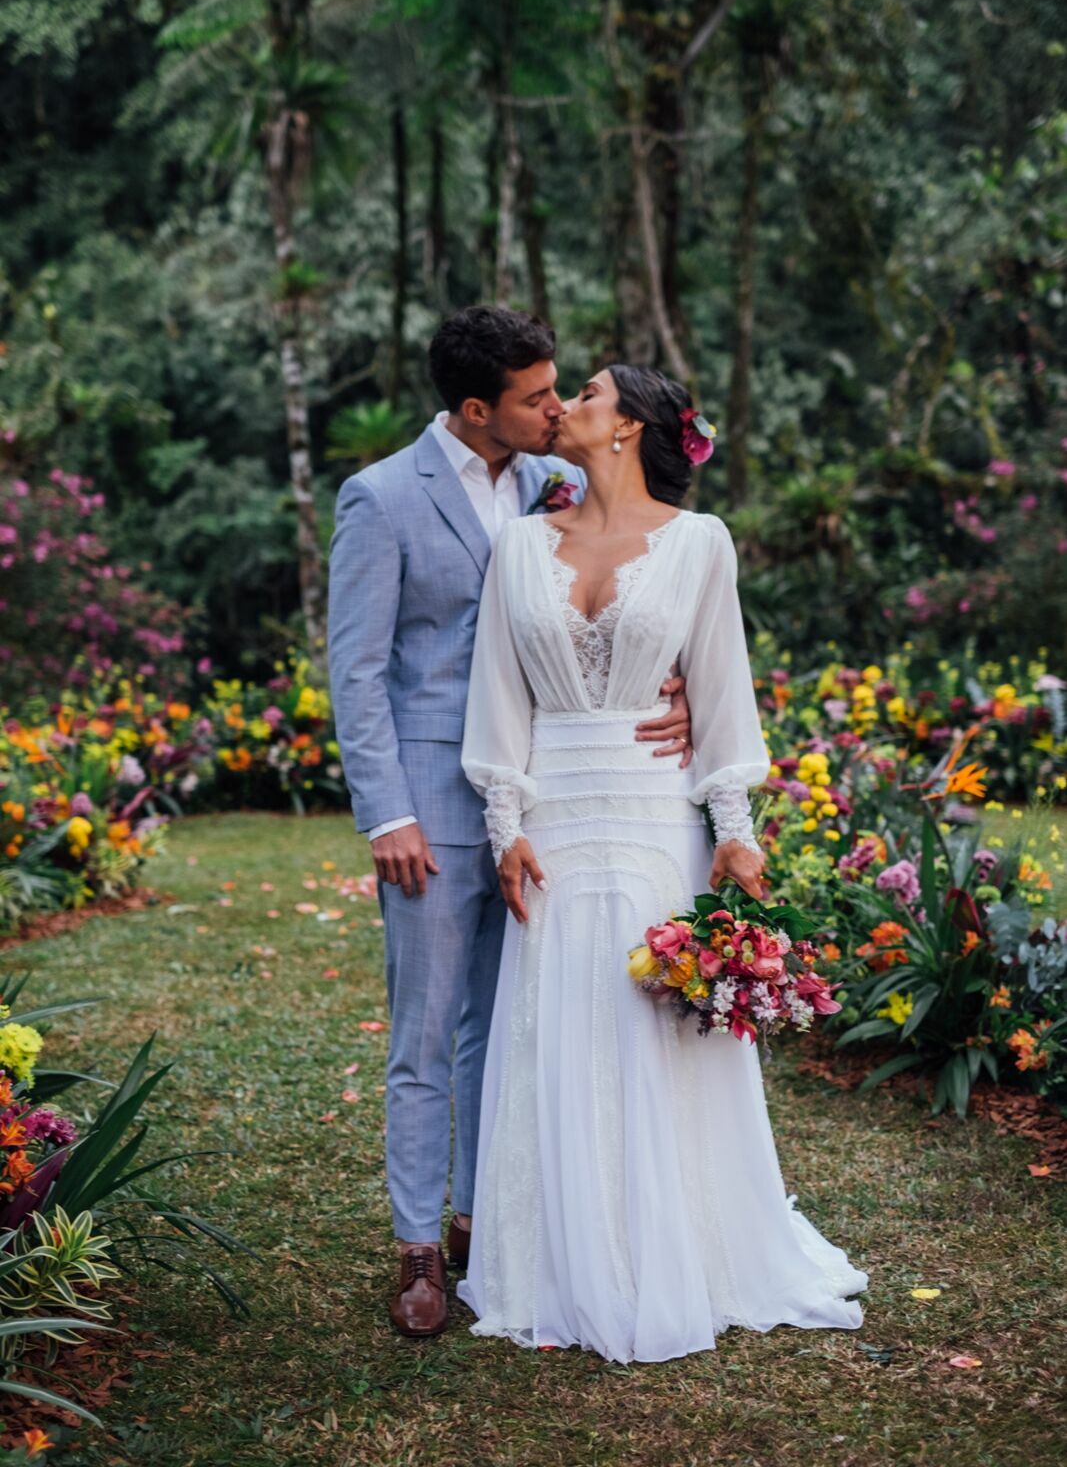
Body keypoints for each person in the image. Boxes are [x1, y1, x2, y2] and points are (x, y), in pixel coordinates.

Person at [458, 363, 868, 1363]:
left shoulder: (699, 545)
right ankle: (556, 1257)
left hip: (653, 812)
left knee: (657, 1025)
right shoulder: (517, 544)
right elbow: (497, 689)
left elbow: (722, 688)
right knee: (554, 1024)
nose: (566, 407)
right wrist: (501, 822)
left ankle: (682, 1248)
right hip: (551, 807)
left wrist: (734, 824)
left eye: (586, 394)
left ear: (629, 427)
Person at [327, 309, 692, 1338]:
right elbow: (355, 670)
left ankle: (484, 1225)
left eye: (556, 390)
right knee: (426, 1031)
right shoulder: (383, 498)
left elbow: (621, 602)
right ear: (476, 407)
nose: (555, 405)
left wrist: (681, 692)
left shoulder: (550, 485)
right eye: (537, 396)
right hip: (433, 813)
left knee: (510, 1026)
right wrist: (386, 812)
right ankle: (414, 1253)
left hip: (550, 802)